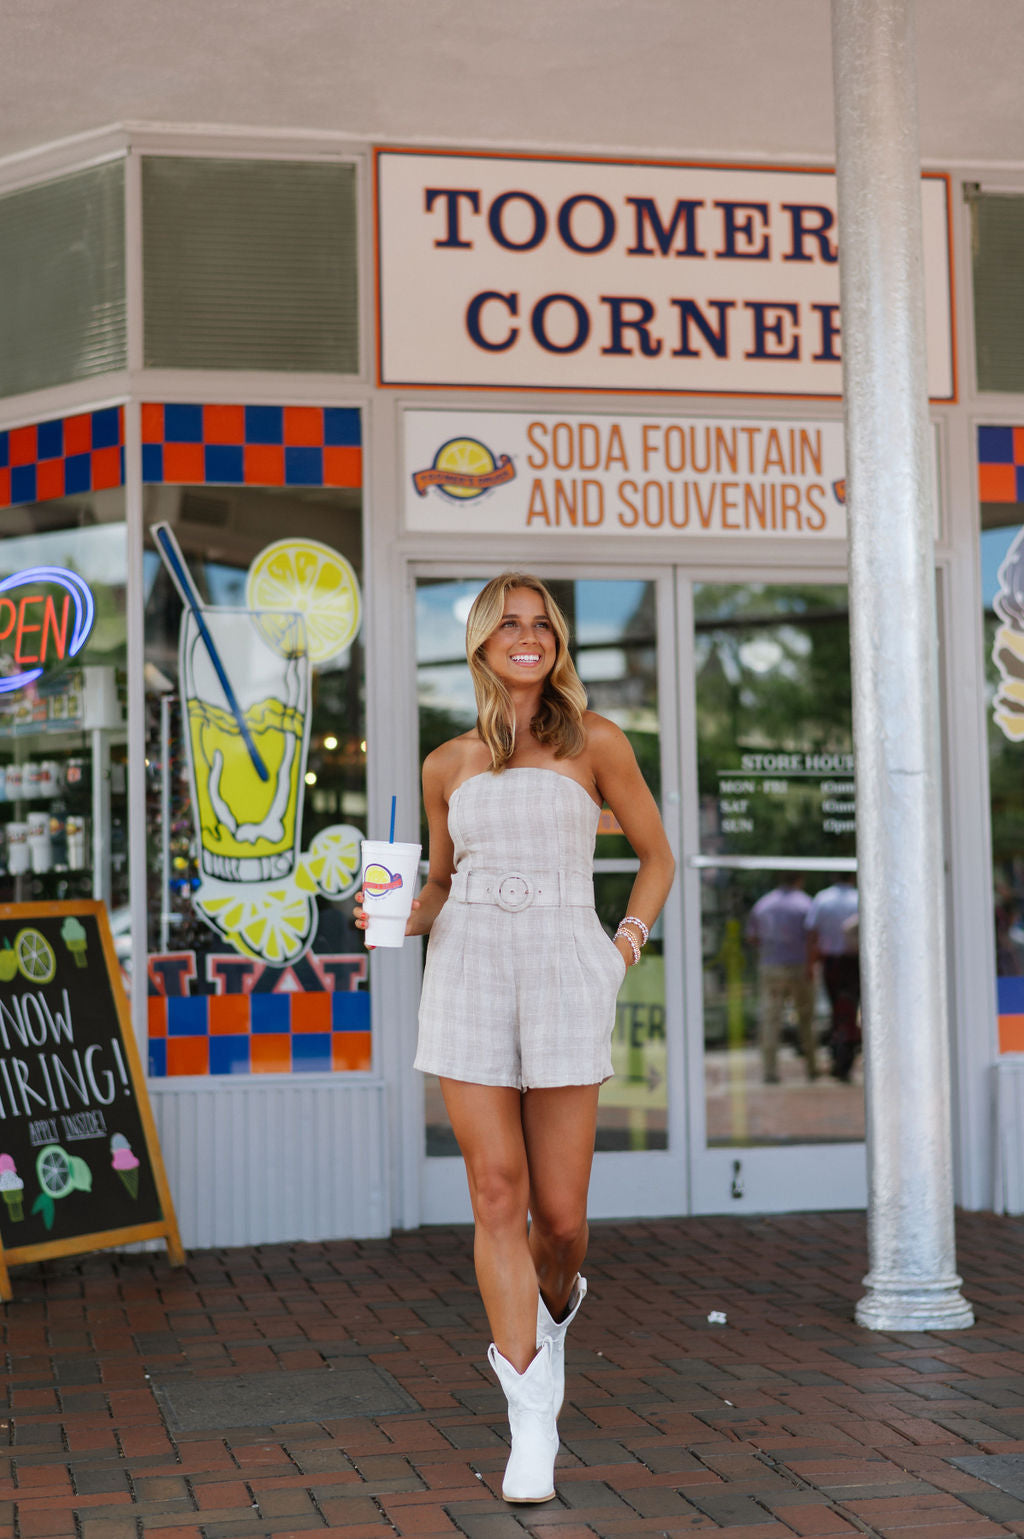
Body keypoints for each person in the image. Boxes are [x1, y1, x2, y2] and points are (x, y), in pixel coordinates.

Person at [356, 573, 674, 1505]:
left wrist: (622, 949)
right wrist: (395, 915)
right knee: (496, 1192)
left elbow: (654, 856)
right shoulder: (446, 761)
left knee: (562, 1223)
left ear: (557, 642)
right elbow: (445, 882)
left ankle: (551, 1316)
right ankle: (531, 1413)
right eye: (510, 623)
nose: (527, 637)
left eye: (542, 624)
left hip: (569, 972)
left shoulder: (597, 743)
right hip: (467, 971)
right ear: (482, 643)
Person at [745, 875, 816, 1083]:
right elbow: (813, 937)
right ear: (800, 879)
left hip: (771, 967)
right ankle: (812, 1067)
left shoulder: (763, 905)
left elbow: (752, 937)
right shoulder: (805, 904)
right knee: (806, 1018)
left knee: (770, 1020)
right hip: (800, 967)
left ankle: (769, 1071)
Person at [805, 874, 860, 1081]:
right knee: (849, 1010)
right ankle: (844, 1059)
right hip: (854, 962)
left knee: (837, 1010)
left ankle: (840, 1057)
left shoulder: (822, 899)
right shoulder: (859, 898)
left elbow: (812, 933)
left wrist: (810, 964)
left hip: (832, 963)